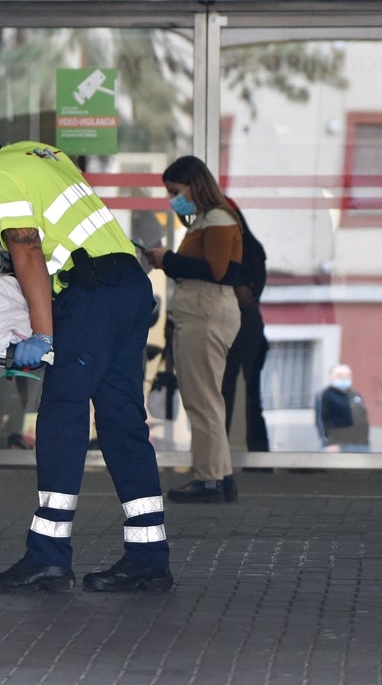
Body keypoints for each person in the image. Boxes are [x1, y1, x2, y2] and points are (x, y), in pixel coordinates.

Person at [0, 130, 171, 594]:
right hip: (128, 286)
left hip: (91, 295)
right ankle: (149, 557)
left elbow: (26, 247)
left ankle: (48, 557)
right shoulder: (42, 156)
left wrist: (42, 333)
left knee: (62, 417)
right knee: (123, 424)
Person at [143, 156, 242, 504]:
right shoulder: (207, 219)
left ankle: (210, 479)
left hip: (205, 312)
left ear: (194, 184)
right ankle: (221, 475)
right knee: (206, 398)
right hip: (203, 311)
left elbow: (217, 270)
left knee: (203, 400)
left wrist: (167, 258)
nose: (172, 198)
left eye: (175, 190)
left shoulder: (216, 219)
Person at [219, 199, 270, 453]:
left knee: (238, 394)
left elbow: (247, 296)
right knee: (231, 395)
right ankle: (227, 457)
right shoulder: (249, 247)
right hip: (245, 326)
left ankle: (232, 458)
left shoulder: (244, 249)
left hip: (243, 327)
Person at [315, 364, 370, 452]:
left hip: (361, 445)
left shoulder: (355, 394)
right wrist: (328, 444)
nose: (344, 378)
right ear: (330, 376)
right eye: (339, 375)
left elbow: (363, 418)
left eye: (347, 375)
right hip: (338, 445)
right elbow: (321, 421)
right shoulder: (325, 395)